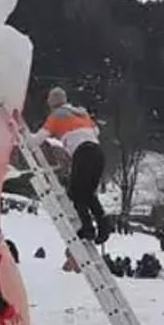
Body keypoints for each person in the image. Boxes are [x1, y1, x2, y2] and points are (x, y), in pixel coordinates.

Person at [29, 87, 110, 244]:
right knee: (88, 193)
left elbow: (36, 140)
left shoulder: (56, 116)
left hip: (83, 152)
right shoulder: (81, 113)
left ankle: (87, 228)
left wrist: (24, 137)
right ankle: (103, 224)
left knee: (76, 192)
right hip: (97, 152)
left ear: (51, 104)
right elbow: (96, 131)